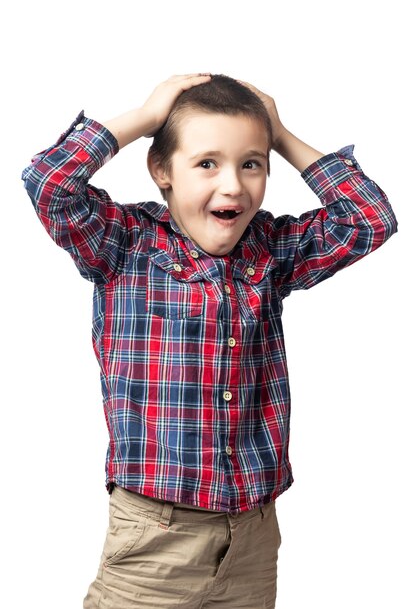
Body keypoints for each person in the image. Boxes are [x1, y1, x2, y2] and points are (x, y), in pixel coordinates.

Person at [21, 73, 398, 608]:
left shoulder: (269, 249)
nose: (233, 185)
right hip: (155, 536)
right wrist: (148, 118)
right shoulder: (123, 244)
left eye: (251, 163)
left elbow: (369, 221)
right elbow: (49, 181)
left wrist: (281, 133)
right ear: (162, 171)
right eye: (206, 163)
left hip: (251, 535)